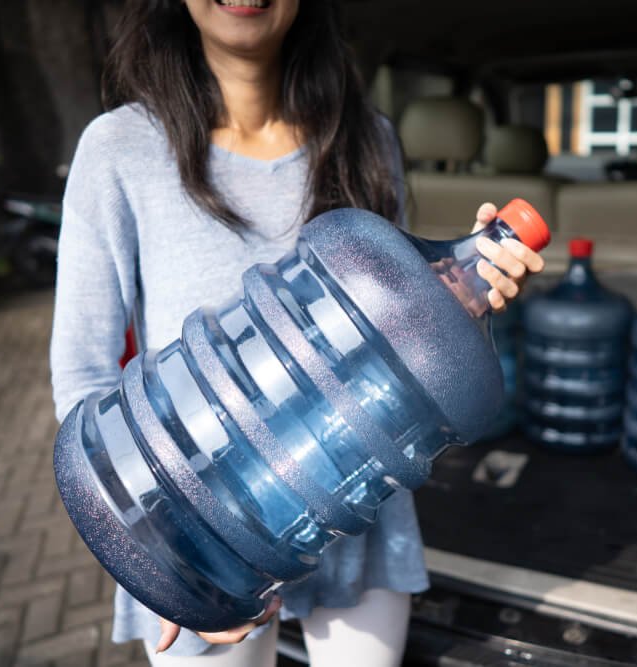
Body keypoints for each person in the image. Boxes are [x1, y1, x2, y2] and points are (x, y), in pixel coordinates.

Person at [49, 0, 545, 665]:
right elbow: (83, 372)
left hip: (349, 507)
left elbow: (400, 343)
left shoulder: (368, 138)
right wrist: (155, 562)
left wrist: (468, 290)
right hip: (198, 529)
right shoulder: (119, 149)